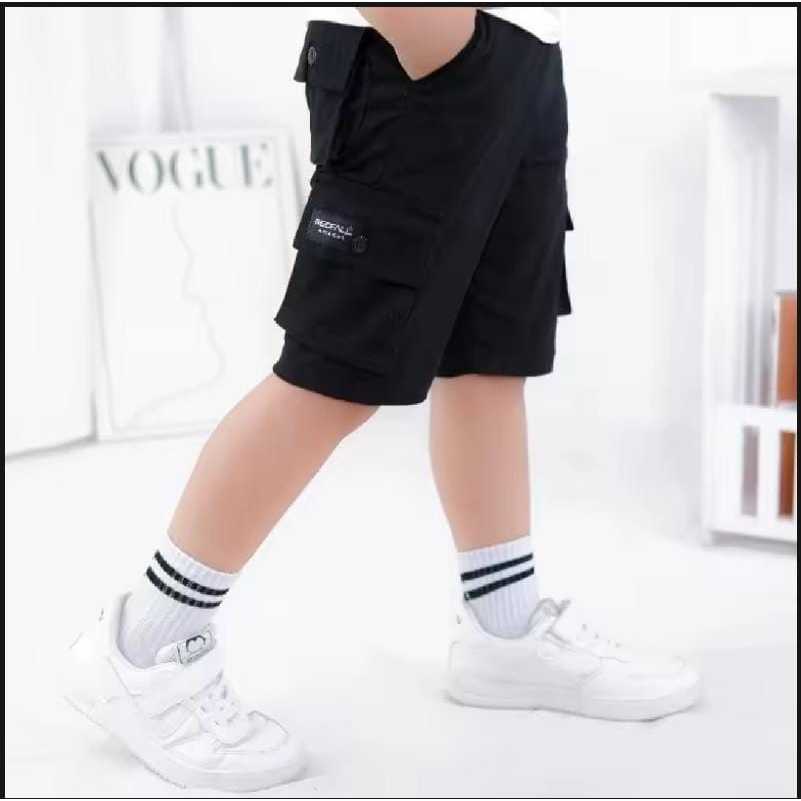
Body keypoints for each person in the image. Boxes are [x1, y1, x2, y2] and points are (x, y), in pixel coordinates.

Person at [65, 7, 701, 792]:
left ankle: (503, 631)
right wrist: (438, 36)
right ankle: (145, 645)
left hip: (523, 58)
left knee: (490, 355)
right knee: (332, 372)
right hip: (421, 54)